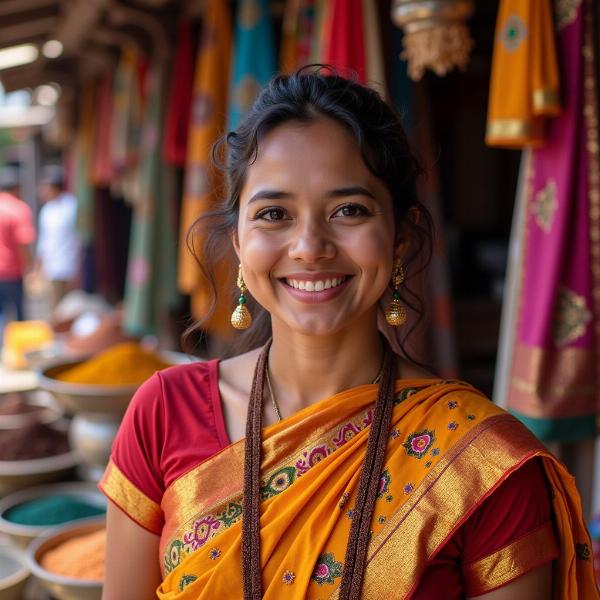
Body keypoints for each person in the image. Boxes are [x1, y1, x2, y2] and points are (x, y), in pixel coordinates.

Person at [100, 69, 597, 599]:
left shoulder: (483, 463)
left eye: (349, 211)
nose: (310, 246)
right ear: (240, 244)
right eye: (274, 214)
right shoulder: (163, 413)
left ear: (400, 239)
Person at [36, 165, 81, 309]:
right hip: (52, 266)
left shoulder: (71, 206)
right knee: (54, 307)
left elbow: (79, 236)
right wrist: (39, 263)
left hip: (70, 265)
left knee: (69, 307)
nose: (43, 191)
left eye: (45, 186)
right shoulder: (47, 210)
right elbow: (44, 239)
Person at [0, 166, 35, 330]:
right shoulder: (19, 209)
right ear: (17, 188)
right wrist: (30, 268)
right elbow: (23, 243)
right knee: (19, 319)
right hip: (12, 274)